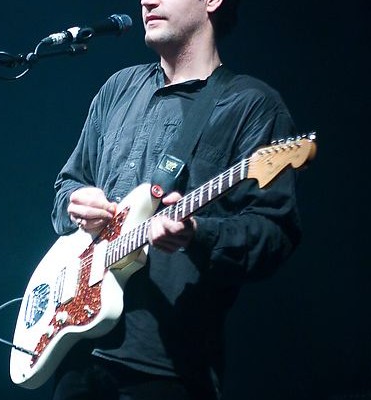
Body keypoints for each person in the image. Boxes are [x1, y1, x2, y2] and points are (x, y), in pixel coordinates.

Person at [50, 0, 302, 399]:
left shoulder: (251, 105)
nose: (147, 0)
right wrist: (76, 200)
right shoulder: (119, 88)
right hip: (77, 349)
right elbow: (68, 185)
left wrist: (197, 232)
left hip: (168, 365)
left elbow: (274, 233)